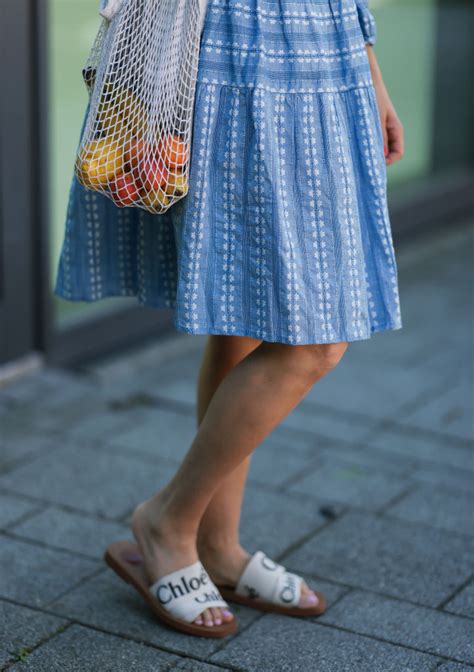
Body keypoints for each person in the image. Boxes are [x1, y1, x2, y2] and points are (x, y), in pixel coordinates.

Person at [55, 0, 404, 637]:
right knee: (315, 341)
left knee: (252, 315)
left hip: (327, 46)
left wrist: (370, 66)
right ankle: (168, 522)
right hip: (232, 46)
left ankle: (218, 547)